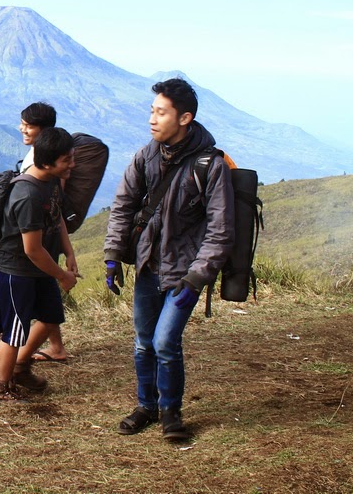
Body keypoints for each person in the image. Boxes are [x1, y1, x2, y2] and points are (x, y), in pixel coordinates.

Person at [104, 78, 234, 440]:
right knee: (143, 341)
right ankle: (147, 406)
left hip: (184, 274)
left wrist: (198, 278)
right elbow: (123, 206)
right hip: (148, 267)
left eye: (161, 113)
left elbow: (221, 229)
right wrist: (113, 255)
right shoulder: (146, 155)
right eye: (152, 111)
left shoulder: (211, 165)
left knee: (164, 342)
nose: (152, 119)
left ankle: (170, 411)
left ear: (185, 118)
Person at [0, 102, 72, 363]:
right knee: (38, 303)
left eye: (28, 125)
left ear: (44, 131)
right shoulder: (40, 158)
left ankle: (19, 362)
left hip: (24, 249)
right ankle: (4, 340)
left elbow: (53, 208)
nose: (22, 128)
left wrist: (65, 256)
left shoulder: (42, 163)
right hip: (26, 245)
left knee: (30, 310)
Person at [0, 127, 79, 402]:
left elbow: (57, 216)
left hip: (38, 270)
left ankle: (20, 367)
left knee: (51, 316)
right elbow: (32, 249)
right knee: (14, 332)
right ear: (49, 162)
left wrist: (69, 252)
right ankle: (2, 388)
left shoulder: (50, 183)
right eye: (67, 160)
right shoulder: (27, 195)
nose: (72, 164)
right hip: (16, 272)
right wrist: (62, 275)